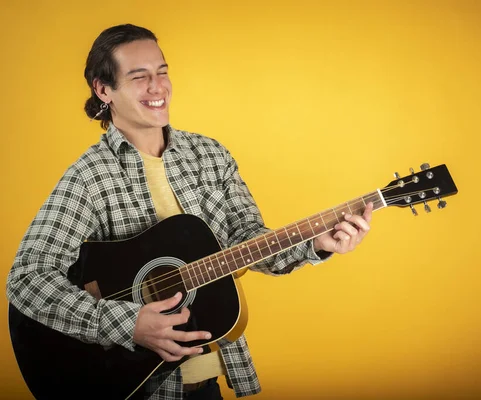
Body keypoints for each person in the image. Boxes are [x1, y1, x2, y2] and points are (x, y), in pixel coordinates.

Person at [6, 24, 373, 400]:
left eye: (162, 72)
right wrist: (126, 323)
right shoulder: (90, 176)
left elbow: (248, 238)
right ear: (104, 90)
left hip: (207, 383)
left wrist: (315, 243)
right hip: (137, 387)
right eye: (139, 77)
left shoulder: (210, 155)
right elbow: (26, 278)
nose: (158, 87)